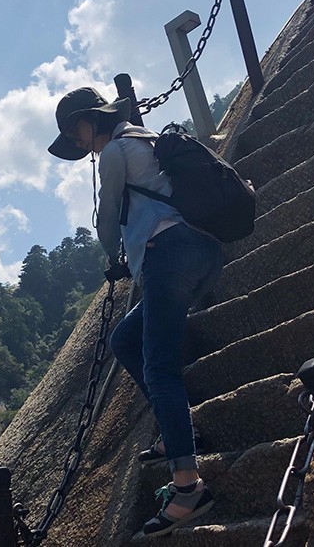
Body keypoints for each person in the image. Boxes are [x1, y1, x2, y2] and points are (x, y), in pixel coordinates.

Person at [48, 87, 222, 538]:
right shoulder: (145, 138)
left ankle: (187, 488)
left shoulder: (114, 152)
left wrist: (112, 256)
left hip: (167, 254)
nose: (78, 140)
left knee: (160, 366)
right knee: (125, 338)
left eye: (76, 130)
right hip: (200, 251)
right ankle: (177, 428)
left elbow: (108, 219)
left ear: (93, 120)